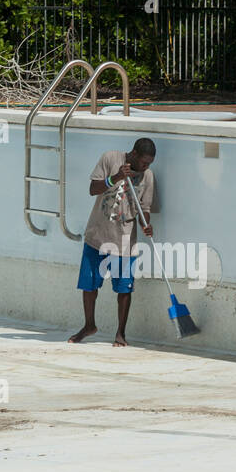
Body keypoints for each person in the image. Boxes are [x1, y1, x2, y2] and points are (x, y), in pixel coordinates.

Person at [68, 137, 157, 346]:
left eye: (149, 163)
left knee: (124, 289)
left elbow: (145, 209)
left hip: (124, 240)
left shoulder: (148, 176)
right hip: (97, 234)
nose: (146, 167)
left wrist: (146, 224)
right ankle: (89, 325)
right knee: (89, 285)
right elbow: (93, 189)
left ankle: (120, 334)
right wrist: (116, 177)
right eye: (144, 162)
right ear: (133, 154)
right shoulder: (110, 158)